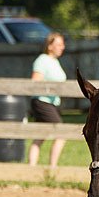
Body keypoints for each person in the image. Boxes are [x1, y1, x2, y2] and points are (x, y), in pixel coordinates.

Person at [28, 32, 67, 167]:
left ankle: (31, 166)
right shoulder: (42, 60)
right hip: (42, 102)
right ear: (50, 46)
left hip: (52, 102)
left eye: (62, 44)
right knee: (61, 134)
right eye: (58, 44)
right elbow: (35, 81)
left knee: (40, 135)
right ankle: (53, 167)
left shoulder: (54, 61)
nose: (62, 47)